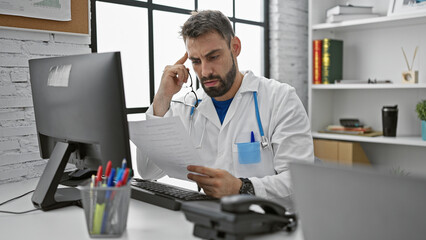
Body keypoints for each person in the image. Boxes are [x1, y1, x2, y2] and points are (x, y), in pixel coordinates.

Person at [137, 10, 314, 203]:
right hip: (211, 220)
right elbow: (147, 171)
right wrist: (162, 98)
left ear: (235, 47)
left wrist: (243, 187)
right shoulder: (187, 107)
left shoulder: (280, 99)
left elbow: (300, 181)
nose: (205, 72)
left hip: (267, 223)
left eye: (213, 57)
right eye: (196, 61)